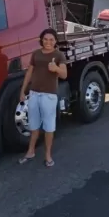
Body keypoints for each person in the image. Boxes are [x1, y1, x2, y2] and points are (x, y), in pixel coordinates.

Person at [18, 28, 67, 167]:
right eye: (45, 39)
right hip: (34, 94)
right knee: (34, 125)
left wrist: (56, 68)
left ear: (55, 41)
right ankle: (30, 152)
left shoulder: (58, 55)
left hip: (49, 96)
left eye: (51, 40)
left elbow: (64, 74)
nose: (48, 42)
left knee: (49, 127)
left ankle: (48, 155)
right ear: (41, 40)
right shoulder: (36, 54)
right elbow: (29, 73)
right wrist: (23, 91)